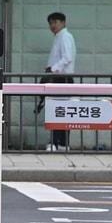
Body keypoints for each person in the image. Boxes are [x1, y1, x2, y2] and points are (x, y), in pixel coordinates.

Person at [43, 11, 76, 151]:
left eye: (55, 22)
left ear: (63, 23)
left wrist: (53, 69)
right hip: (60, 78)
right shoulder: (59, 37)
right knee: (60, 111)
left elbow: (67, 57)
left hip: (62, 78)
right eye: (50, 23)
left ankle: (57, 143)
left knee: (58, 111)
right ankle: (61, 143)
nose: (52, 25)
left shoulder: (65, 37)